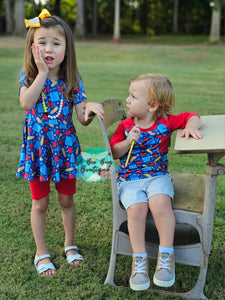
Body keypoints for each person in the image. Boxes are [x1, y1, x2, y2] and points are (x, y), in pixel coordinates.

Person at [17, 9, 104, 276]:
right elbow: (26, 103)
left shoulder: (72, 80)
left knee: (67, 200)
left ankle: (69, 243)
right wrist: (42, 72)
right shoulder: (29, 76)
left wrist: (89, 107)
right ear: (33, 48)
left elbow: (82, 118)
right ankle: (41, 252)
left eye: (56, 43)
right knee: (40, 203)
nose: (49, 49)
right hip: (39, 151)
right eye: (42, 43)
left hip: (65, 150)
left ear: (67, 48)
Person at [110, 73, 202, 291]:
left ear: (152, 106)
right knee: (137, 208)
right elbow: (113, 152)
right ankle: (139, 261)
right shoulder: (125, 126)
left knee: (160, 204)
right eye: (128, 95)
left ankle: (166, 256)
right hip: (129, 180)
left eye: (133, 96)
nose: (127, 100)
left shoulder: (166, 122)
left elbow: (193, 115)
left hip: (158, 176)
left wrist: (190, 126)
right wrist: (127, 141)